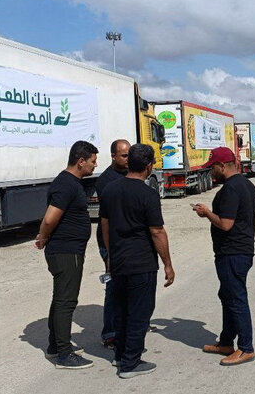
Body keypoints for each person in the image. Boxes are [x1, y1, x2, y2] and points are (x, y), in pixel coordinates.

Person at [100, 144, 175, 379]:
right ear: (149, 166)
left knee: (121, 309)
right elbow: (157, 231)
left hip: (119, 260)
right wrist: (168, 264)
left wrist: (110, 255)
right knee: (140, 311)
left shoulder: (111, 189)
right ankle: (130, 363)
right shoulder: (148, 194)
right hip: (141, 262)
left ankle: (121, 354)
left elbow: (104, 224)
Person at [35, 140, 98, 370]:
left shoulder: (71, 183)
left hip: (68, 250)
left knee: (60, 298)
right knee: (66, 301)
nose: (94, 165)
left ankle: (55, 346)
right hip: (65, 251)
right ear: (80, 161)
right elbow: (50, 218)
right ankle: (64, 354)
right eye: (92, 161)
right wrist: (42, 236)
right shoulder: (66, 184)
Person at [193, 147, 255, 366]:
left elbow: (226, 224)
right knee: (228, 296)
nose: (210, 173)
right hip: (239, 250)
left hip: (233, 252)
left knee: (236, 298)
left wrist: (206, 213)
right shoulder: (248, 185)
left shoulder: (231, 189)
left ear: (222, 166)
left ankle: (246, 348)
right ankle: (226, 342)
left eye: (212, 168)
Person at [95, 139, 130, 350]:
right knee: (114, 286)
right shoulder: (106, 181)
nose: (127, 159)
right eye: (124, 156)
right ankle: (110, 333)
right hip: (111, 241)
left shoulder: (130, 174)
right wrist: (109, 250)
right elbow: (110, 218)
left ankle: (126, 326)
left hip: (126, 240)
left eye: (129, 155)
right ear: (113, 156)